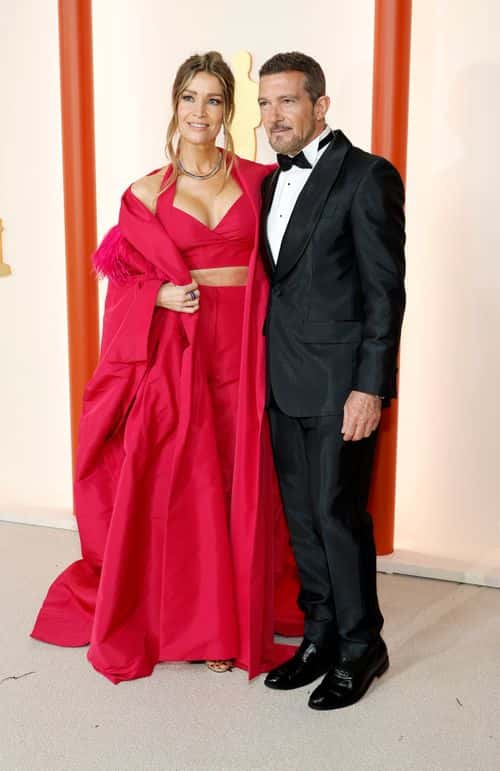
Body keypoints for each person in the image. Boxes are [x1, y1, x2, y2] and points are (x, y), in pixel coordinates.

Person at [31, 51, 302, 683]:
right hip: (181, 351)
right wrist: (154, 296)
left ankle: (240, 613)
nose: (200, 111)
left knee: (245, 480)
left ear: (228, 110)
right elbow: (121, 281)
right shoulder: (145, 193)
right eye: (190, 97)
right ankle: (205, 626)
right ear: (175, 104)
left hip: (248, 347)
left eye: (213, 99)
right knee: (192, 485)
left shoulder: (262, 181)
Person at [258, 52, 406, 709]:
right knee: (302, 519)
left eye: (287, 101)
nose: (274, 116)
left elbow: (385, 291)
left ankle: (360, 644)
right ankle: (318, 635)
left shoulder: (368, 176)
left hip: (343, 385)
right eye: (265, 103)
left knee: (337, 515)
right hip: (284, 380)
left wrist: (370, 387)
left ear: (320, 105)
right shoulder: (270, 185)